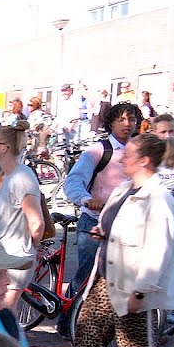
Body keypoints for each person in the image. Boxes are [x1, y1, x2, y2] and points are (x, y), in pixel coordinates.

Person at [60, 132, 174, 347]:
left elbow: (159, 249)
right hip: (105, 278)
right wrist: (104, 232)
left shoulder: (159, 199)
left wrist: (142, 290)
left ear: (145, 161)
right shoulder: (123, 189)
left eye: (129, 154)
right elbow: (112, 223)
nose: (122, 156)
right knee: (89, 331)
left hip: (134, 283)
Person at [63, 102, 142, 296]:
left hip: (127, 225)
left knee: (122, 280)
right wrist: (86, 199)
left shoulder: (140, 151)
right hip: (95, 221)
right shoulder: (98, 151)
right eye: (121, 119)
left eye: (131, 119)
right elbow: (73, 182)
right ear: (110, 123)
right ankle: (67, 323)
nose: (127, 124)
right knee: (87, 278)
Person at [0, 121, 46, 311]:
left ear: (4, 148)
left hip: (15, 257)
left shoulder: (21, 178)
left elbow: (36, 223)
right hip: (5, 256)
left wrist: (31, 249)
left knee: (4, 316)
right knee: (0, 316)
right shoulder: (7, 175)